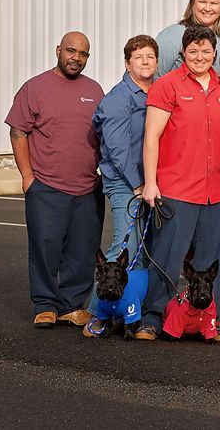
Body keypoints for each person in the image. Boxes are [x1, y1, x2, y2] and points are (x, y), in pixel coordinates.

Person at [135, 25, 220, 341]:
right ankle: (153, 317)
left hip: (217, 190)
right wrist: (150, 183)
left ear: (214, 53)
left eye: (206, 51)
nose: (199, 57)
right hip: (177, 189)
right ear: (183, 53)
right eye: (193, 51)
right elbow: (151, 136)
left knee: (211, 263)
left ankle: (208, 320)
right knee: (167, 258)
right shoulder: (167, 86)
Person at [6, 31, 104, 329]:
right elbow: (18, 132)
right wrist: (28, 178)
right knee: (45, 247)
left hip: (87, 187)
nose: (76, 58)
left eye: (83, 54)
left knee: (83, 250)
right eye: (71, 51)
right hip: (47, 186)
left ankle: (70, 305)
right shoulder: (35, 88)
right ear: (58, 50)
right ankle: (45, 306)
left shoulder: (95, 90)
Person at [86, 34, 158, 335]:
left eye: (150, 56)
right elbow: (117, 149)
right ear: (127, 63)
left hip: (150, 181)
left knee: (143, 252)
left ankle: (132, 311)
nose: (145, 62)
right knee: (123, 246)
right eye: (138, 57)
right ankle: (97, 312)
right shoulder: (118, 98)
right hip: (126, 183)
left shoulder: (158, 90)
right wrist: (138, 184)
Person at [156, 0, 220, 76]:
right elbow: (156, 78)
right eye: (202, 2)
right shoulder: (171, 36)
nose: (207, 8)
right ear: (193, 2)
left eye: (214, 3)